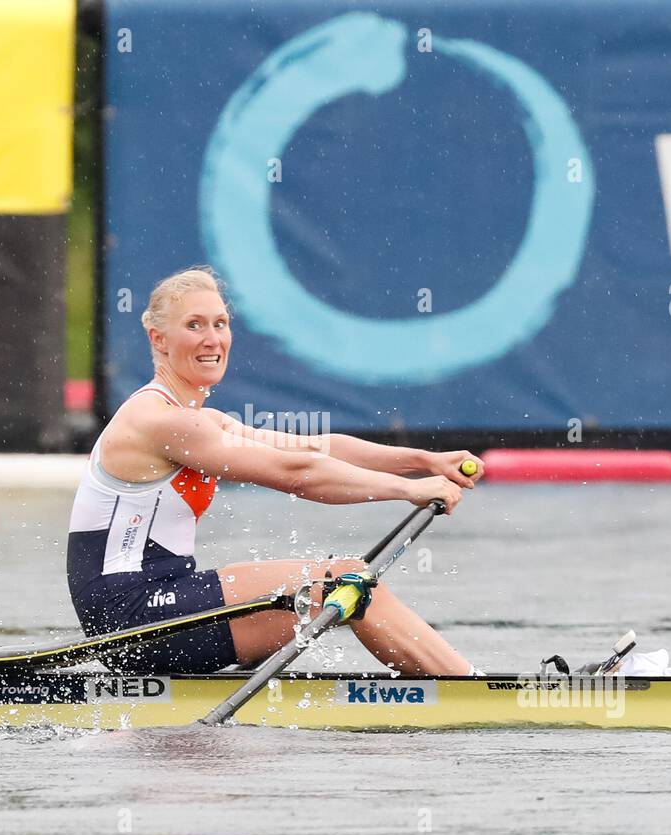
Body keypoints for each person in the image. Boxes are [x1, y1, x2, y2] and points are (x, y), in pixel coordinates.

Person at [67, 266, 482, 677]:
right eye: (194, 325)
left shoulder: (201, 420)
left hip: (163, 601)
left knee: (345, 581)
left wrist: (424, 461)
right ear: (159, 338)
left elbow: (314, 446)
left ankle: (458, 686)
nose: (213, 339)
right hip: (131, 617)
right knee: (347, 581)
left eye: (220, 323)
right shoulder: (161, 421)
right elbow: (297, 473)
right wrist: (406, 490)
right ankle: (473, 691)